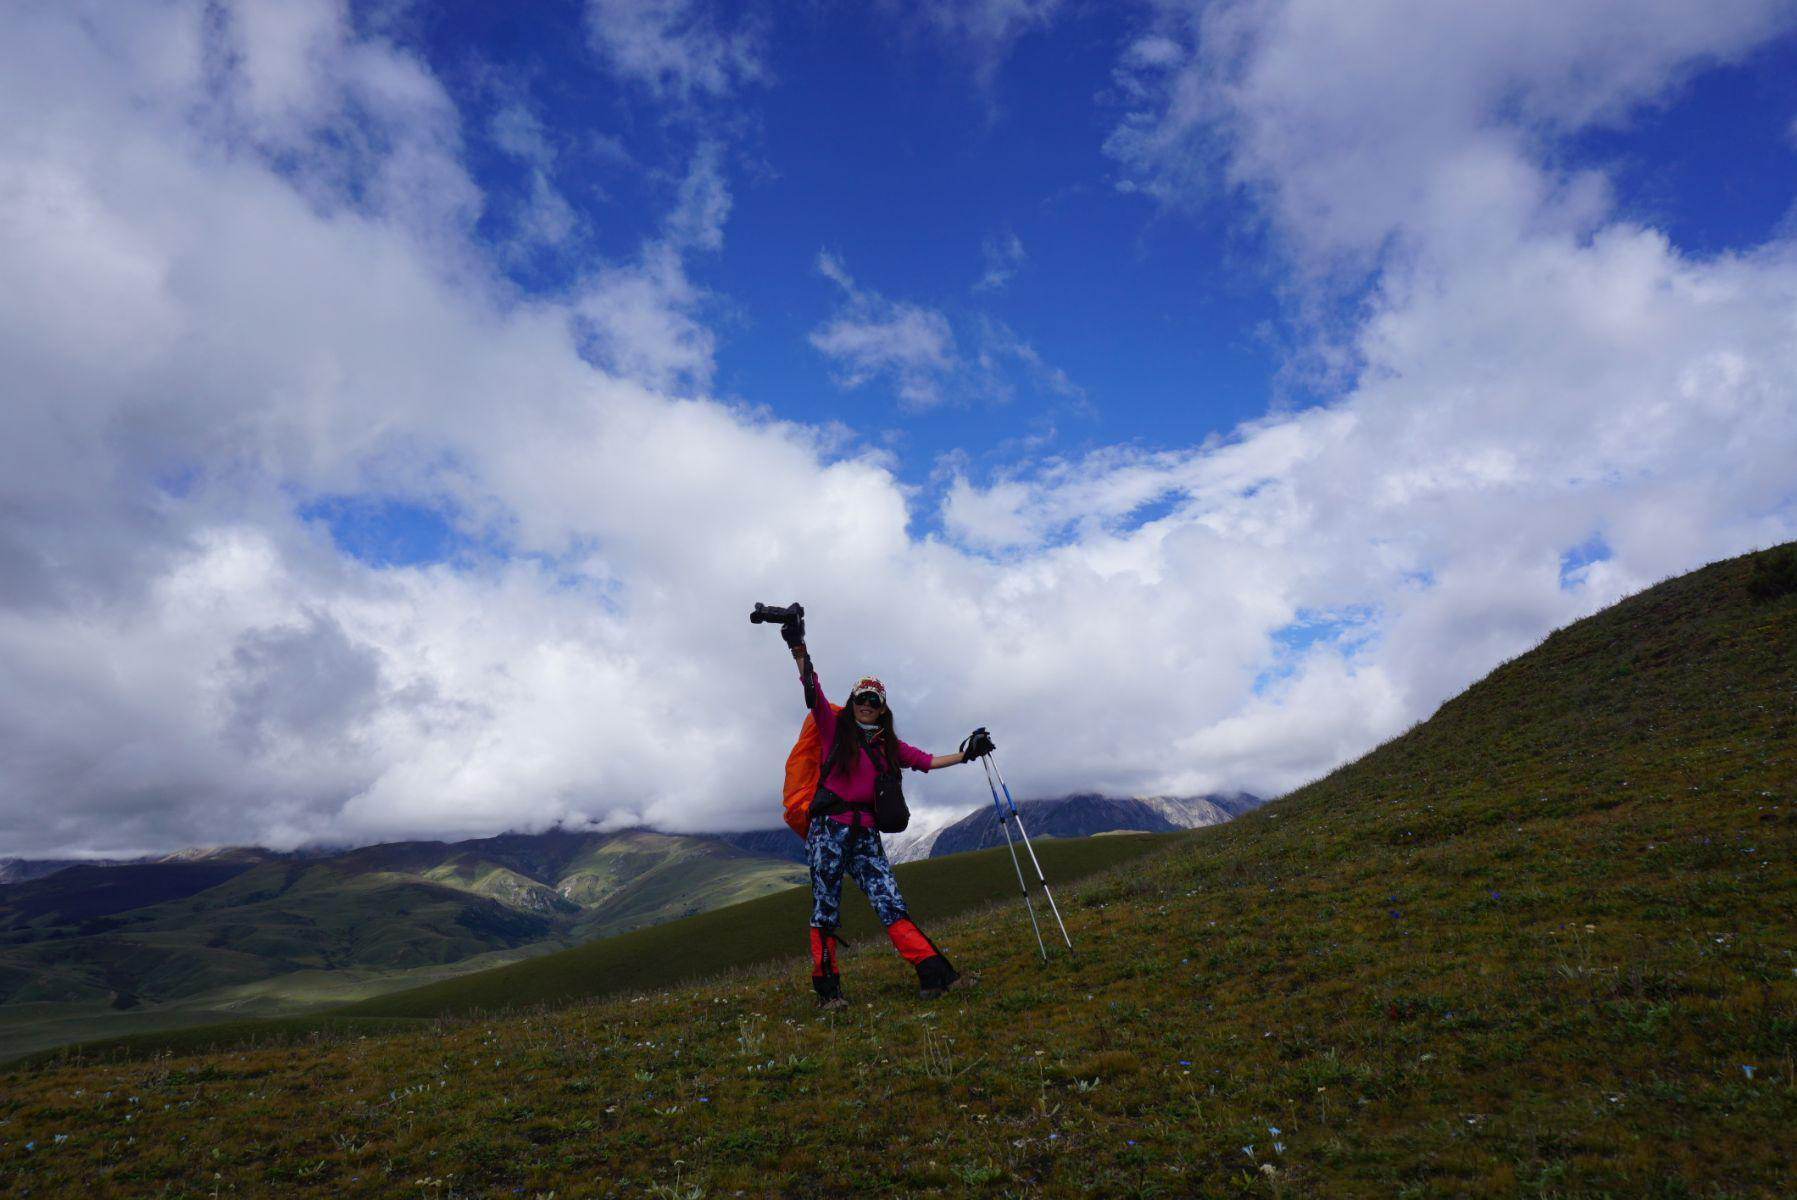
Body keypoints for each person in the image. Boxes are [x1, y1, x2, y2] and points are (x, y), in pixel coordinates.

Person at [784, 628, 993, 1009]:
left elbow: (926, 761)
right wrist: (798, 647)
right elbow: (812, 691)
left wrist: (968, 754)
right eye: (861, 697)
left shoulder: (888, 745)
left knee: (890, 903)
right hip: (829, 830)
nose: (866, 703)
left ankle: (936, 977)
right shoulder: (833, 729)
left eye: (873, 700)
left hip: (865, 834)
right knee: (825, 907)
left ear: (882, 707)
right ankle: (828, 993)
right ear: (852, 701)